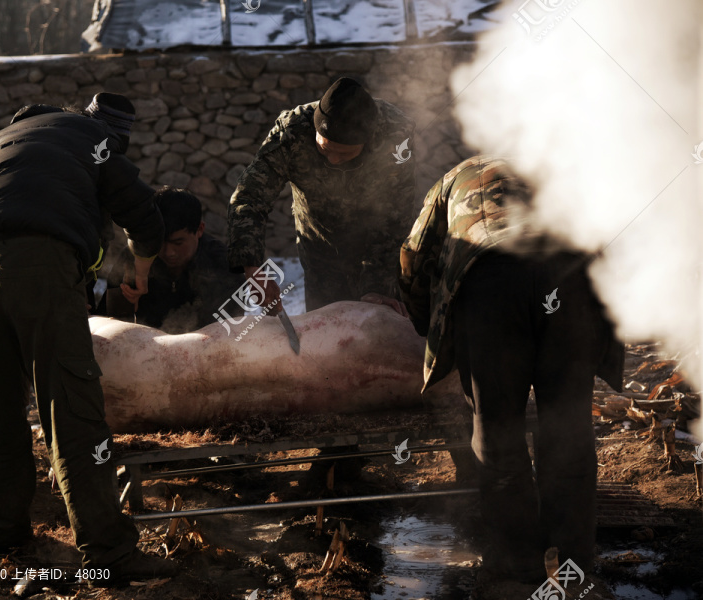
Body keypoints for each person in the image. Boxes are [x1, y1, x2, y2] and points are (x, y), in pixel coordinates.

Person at [0, 93, 175, 585]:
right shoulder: (96, 141)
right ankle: (109, 552)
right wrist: (142, 269)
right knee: (70, 402)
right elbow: (144, 216)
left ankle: (1, 530)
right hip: (38, 263)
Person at [387, 156, 623, 589]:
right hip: (568, 283)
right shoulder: (563, 163)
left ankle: (517, 569)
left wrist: (429, 326)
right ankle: (574, 566)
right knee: (568, 428)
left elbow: (414, 257)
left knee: (497, 432)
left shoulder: (458, 176)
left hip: (492, 284)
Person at [227, 77, 418, 313]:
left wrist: (377, 286)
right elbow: (249, 198)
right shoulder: (292, 134)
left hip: (380, 254)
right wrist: (251, 265)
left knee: (379, 335)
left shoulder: (395, 137)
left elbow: (398, 215)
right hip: (321, 255)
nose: (334, 160)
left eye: (345, 154)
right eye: (326, 149)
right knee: (326, 337)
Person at [105, 187, 245, 333]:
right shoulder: (134, 259)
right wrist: (126, 305)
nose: (169, 252)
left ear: (199, 230)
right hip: (144, 347)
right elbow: (111, 324)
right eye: (160, 243)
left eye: (178, 243)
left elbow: (232, 330)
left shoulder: (224, 265)